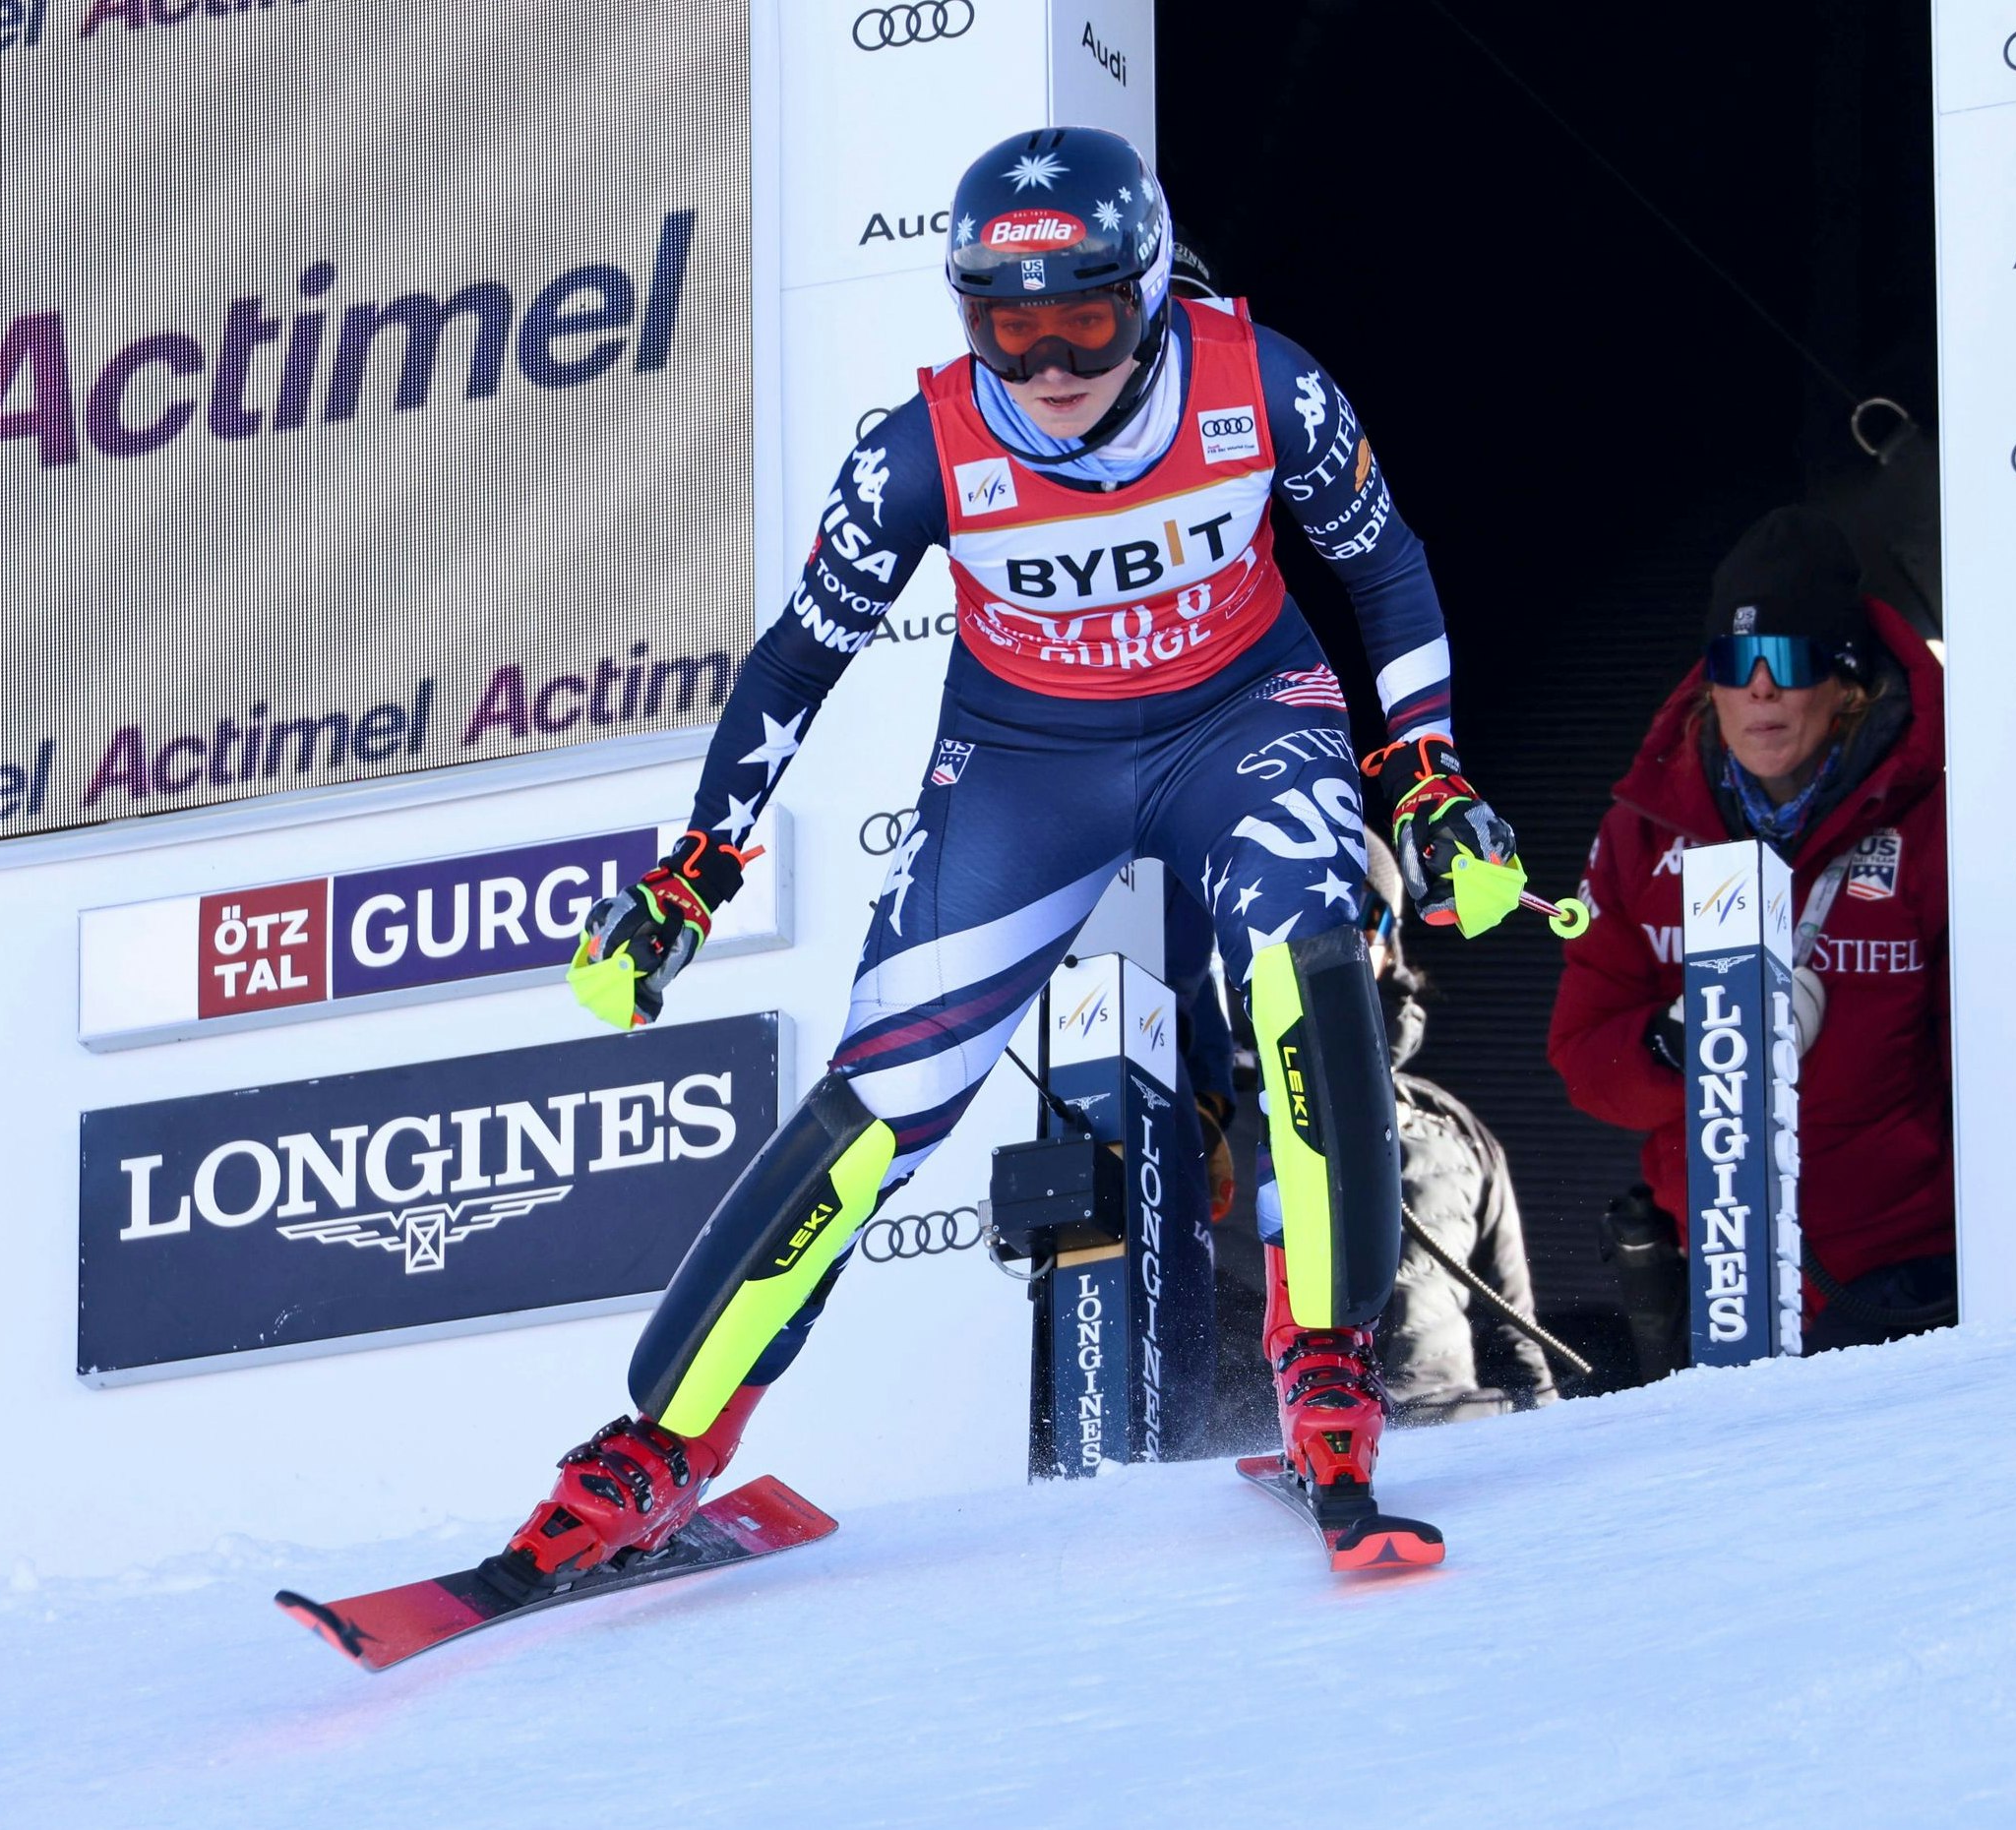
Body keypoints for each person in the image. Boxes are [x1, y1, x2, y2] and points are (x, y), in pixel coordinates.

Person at [481, 125, 1533, 1596]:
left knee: (1301, 972)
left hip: (1243, 722)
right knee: (879, 1103)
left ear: (1149, 288)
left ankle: (1324, 1361)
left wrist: (1422, 763)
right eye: (1004, 324)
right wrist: (693, 870)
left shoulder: (1263, 382)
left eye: (1080, 319)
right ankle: (656, 1452)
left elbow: (1382, 563)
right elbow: (799, 656)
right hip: (1026, 769)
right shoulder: (924, 447)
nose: (1043, 364)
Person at [1545, 507, 1952, 1370]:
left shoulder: (1938, 820)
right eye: (1737, 662)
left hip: (1908, 1279)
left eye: (1790, 660)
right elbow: (1584, 1058)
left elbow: (1995, 1078)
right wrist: (1678, 1045)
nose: (1760, 687)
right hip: (1716, 1283)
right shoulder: (1645, 832)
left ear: (1848, 685)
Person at [1359, 829, 1558, 1421]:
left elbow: (1518, 1340)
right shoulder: (1198, 1120)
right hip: (1256, 1464)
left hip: (1445, 1452)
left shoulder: (1449, 1123)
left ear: (1387, 942)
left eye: (1356, 917)